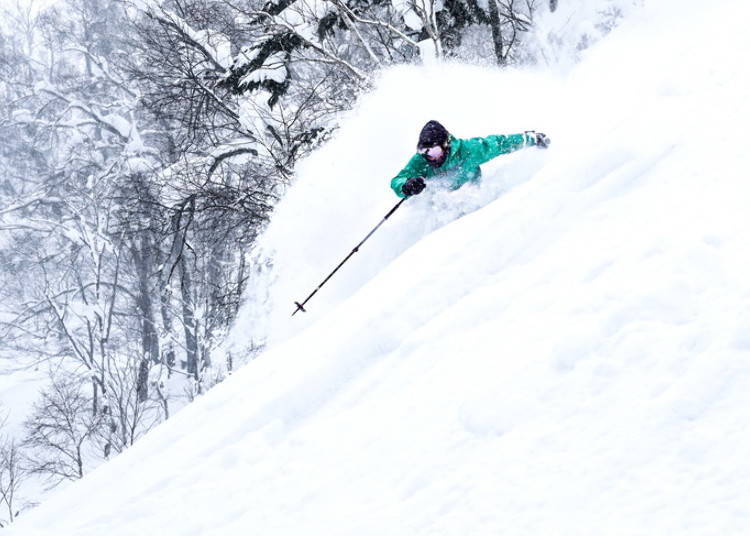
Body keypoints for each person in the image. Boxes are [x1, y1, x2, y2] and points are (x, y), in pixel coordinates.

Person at [390, 120, 550, 197]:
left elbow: (501, 143)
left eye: (434, 151)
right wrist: (406, 186)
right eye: (425, 151)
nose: (430, 157)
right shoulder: (421, 161)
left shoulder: (469, 150)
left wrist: (531, 138)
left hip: (470, 196)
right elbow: (397, 180)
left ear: (446, 145)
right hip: (439, 201)